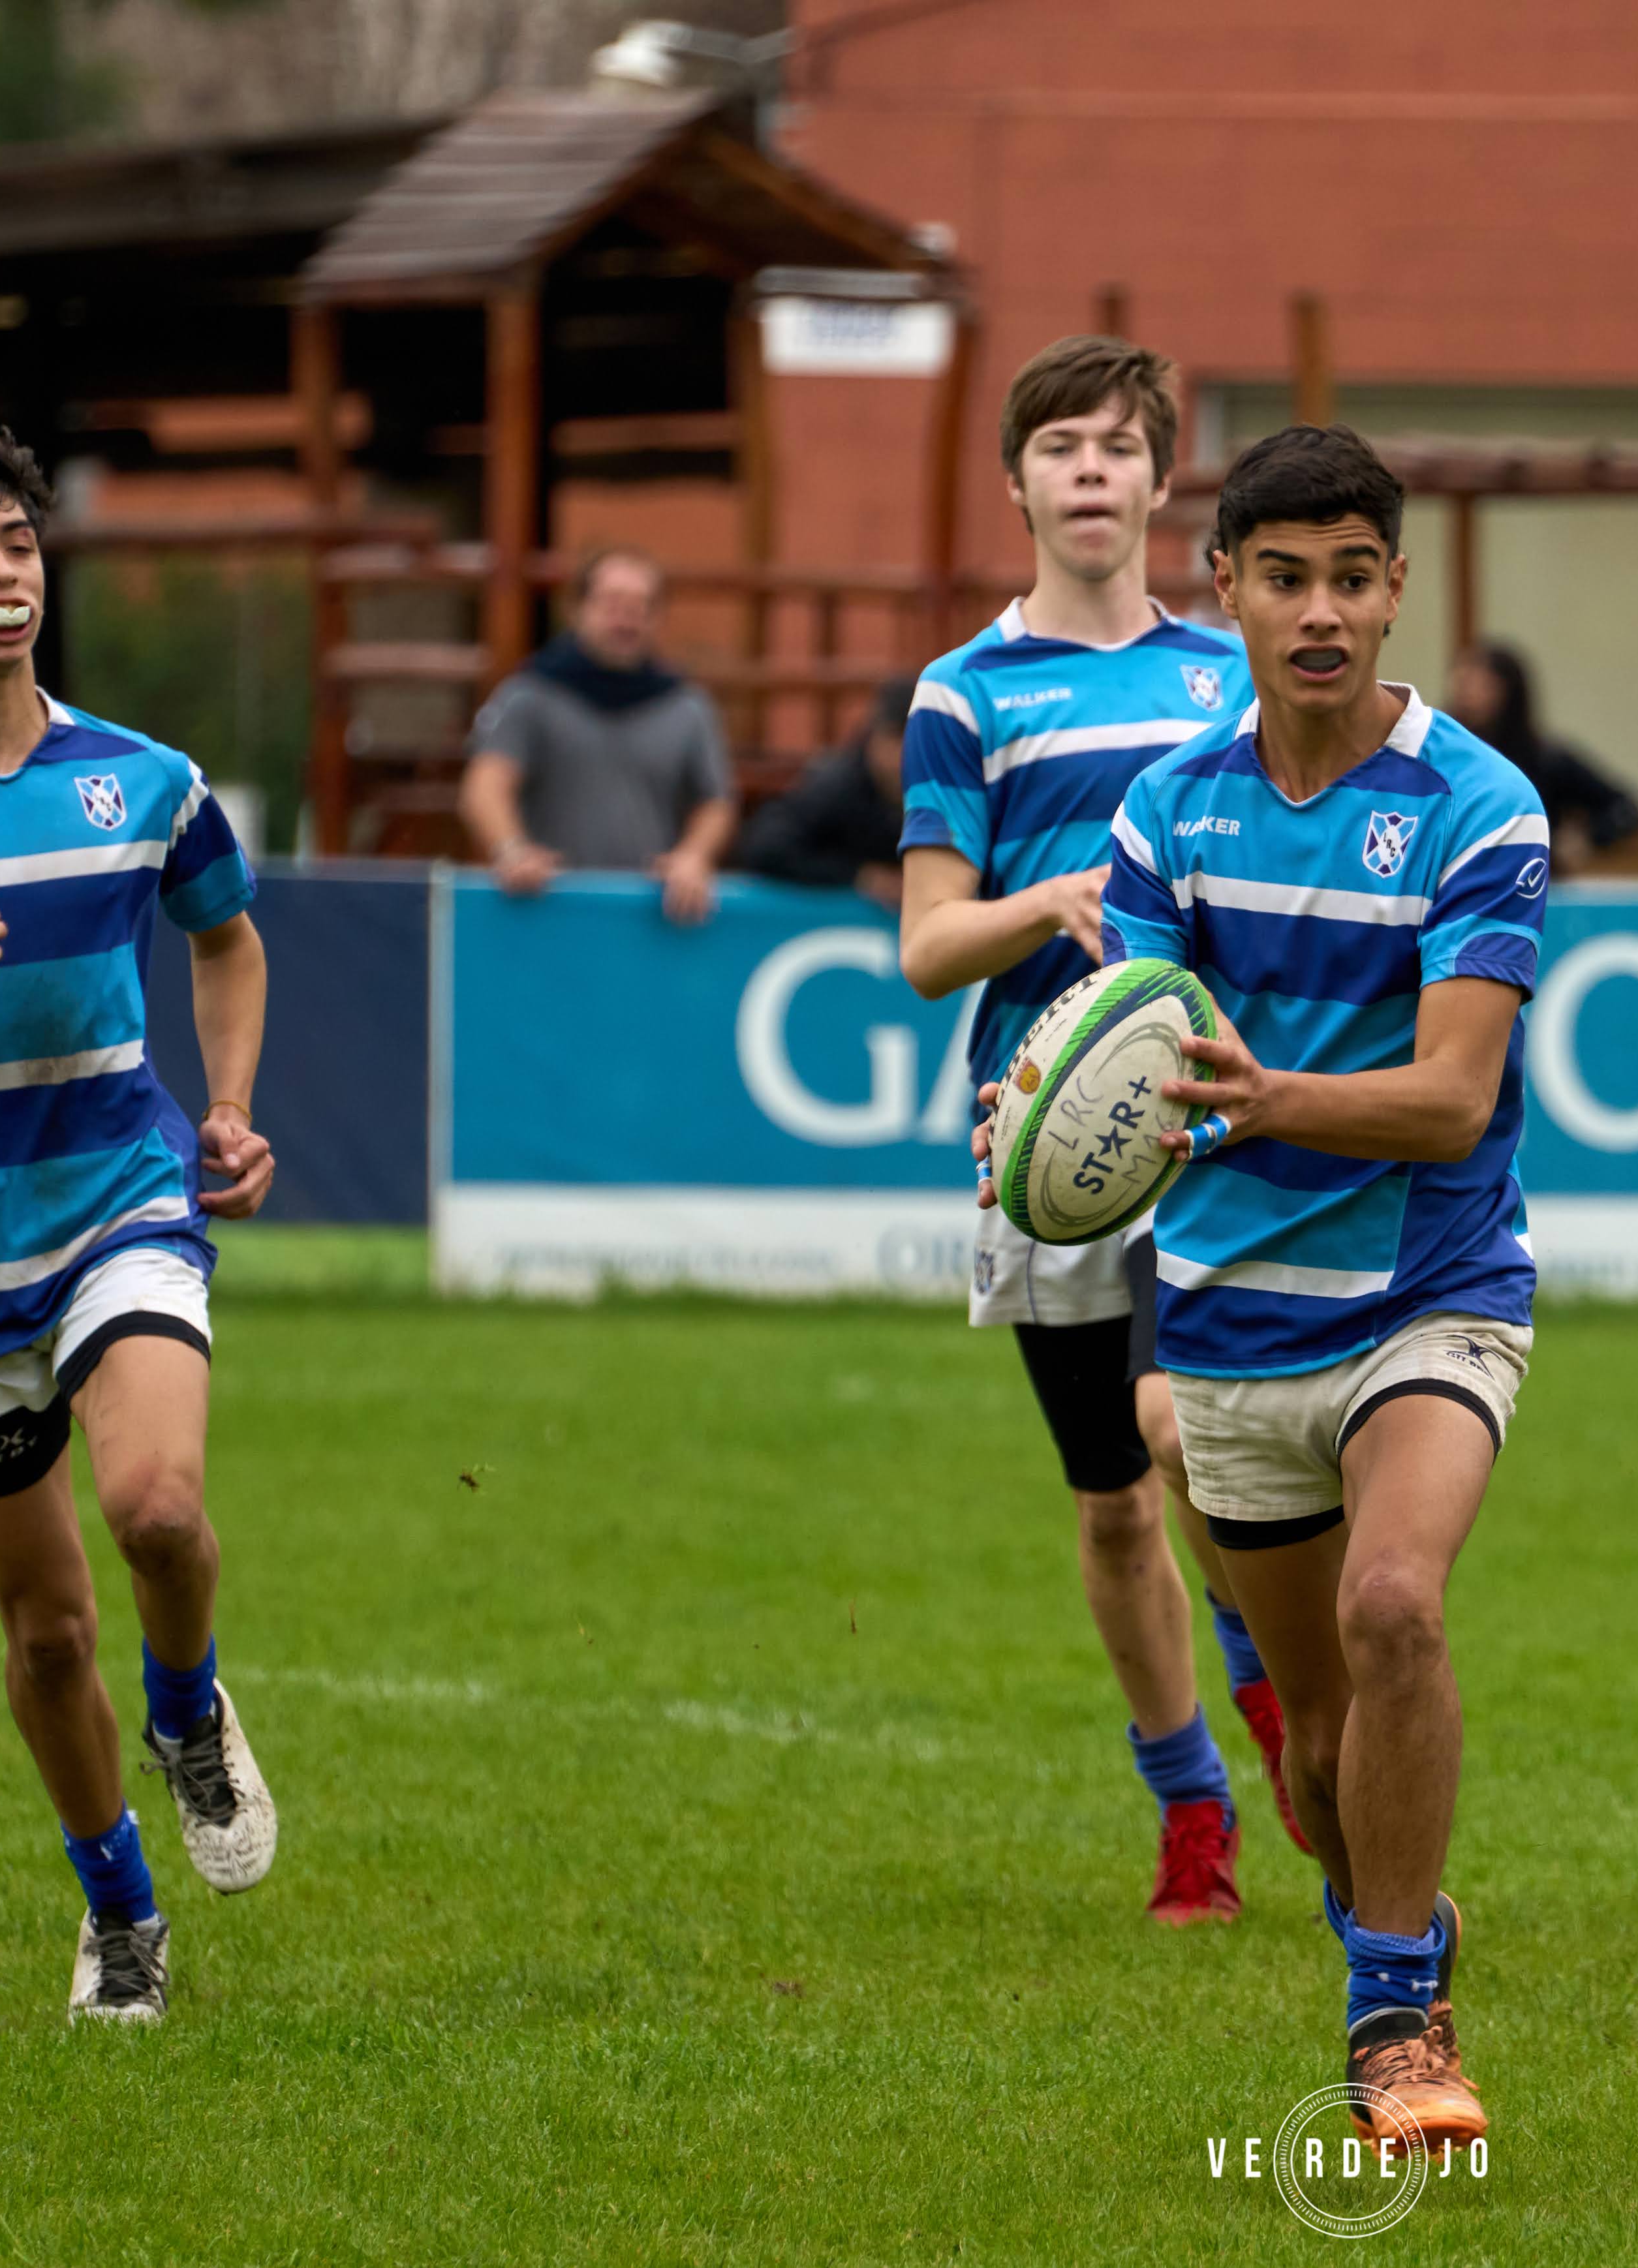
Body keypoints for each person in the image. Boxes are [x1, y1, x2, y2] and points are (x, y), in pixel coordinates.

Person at [1030, 421, 1547, 2144]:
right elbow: (1135, 1054)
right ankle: (1397, 1901)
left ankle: (1396, 2017)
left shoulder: (1480, 806)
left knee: (1401, 1601)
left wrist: (1265, 1101)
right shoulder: (1168, 807)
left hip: (1431, 1295)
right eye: (1283, 577)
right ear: (1226, 589)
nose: (1319, 610)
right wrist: (1042, 1117)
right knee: (1321, 1774)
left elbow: (1457, 1095)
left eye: (1352, 577)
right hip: (1239, 1326)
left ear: (1397, 589)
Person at [0, 427, 279, 2025]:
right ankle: (118, 1907)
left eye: (19, 540)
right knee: (43, 1636)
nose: (4, 566)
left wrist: (226, 1107)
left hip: (124, 1192)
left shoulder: (144, 775)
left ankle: (187, 1707)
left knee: (159, 1504)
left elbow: (225, 941)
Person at [897, 335, 1291, 1926]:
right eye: (1058, 448)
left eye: (1115, 449)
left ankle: (1287, 1717)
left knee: (1181, 1430)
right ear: (1017, 483)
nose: (1087, 474)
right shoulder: (964, 694)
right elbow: (928, 945)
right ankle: (1192, 1801)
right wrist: (1041, 906)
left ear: (1158, 480)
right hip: (1044, 1136)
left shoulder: (1222, 680)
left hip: (1208, 1123)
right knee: (1115, 1498)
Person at [459, 547, 736, 923]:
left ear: (658, 618)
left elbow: (715, 802)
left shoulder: (686, 707)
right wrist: (512, 849)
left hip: (651, 915)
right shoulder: (531, 695)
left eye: (642, 606)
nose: (626, 618)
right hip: (547, 907)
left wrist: (694, 855)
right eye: (613, 602)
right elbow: (486, 784)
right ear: (578, 609)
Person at [1442, 641, 1638, 875]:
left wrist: (1586, 840)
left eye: (1482, 685)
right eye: (1461, 682)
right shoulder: (1440, 757)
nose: (1466, 694)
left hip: (1534, 888)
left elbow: (1625, 808)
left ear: (1509, 692)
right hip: (1455, 885)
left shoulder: (1547, 759)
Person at [733, 673, 916, 908]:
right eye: (894, 739)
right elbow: (766, 847)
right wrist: (860, 876)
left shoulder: (950, 787)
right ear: (873, 737)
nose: (900, 756)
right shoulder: (836, 786)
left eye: (911, 740)